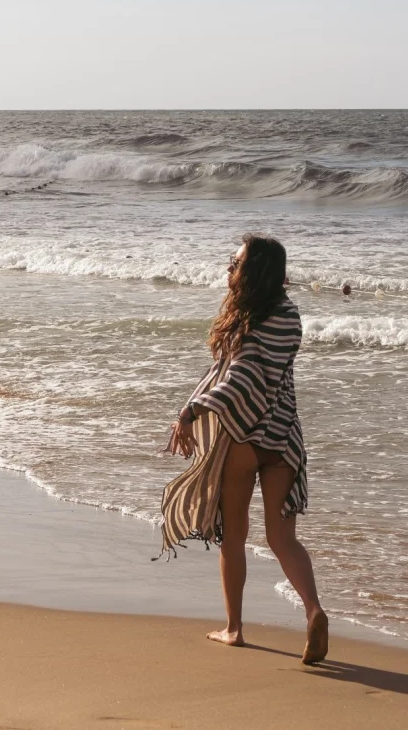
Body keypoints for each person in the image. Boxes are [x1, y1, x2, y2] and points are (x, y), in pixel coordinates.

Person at [159, 234, 328, 665]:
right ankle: (313, 610)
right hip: (284, 438)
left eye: (235, 264)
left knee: (232, 538)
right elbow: (251, 372)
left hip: (244, 439)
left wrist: (191, 410)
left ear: (253, 272)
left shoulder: (247, 321)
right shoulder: (289, 316)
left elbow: (238, 379)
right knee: (283, 539)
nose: (228, 270)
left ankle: (234, 629)